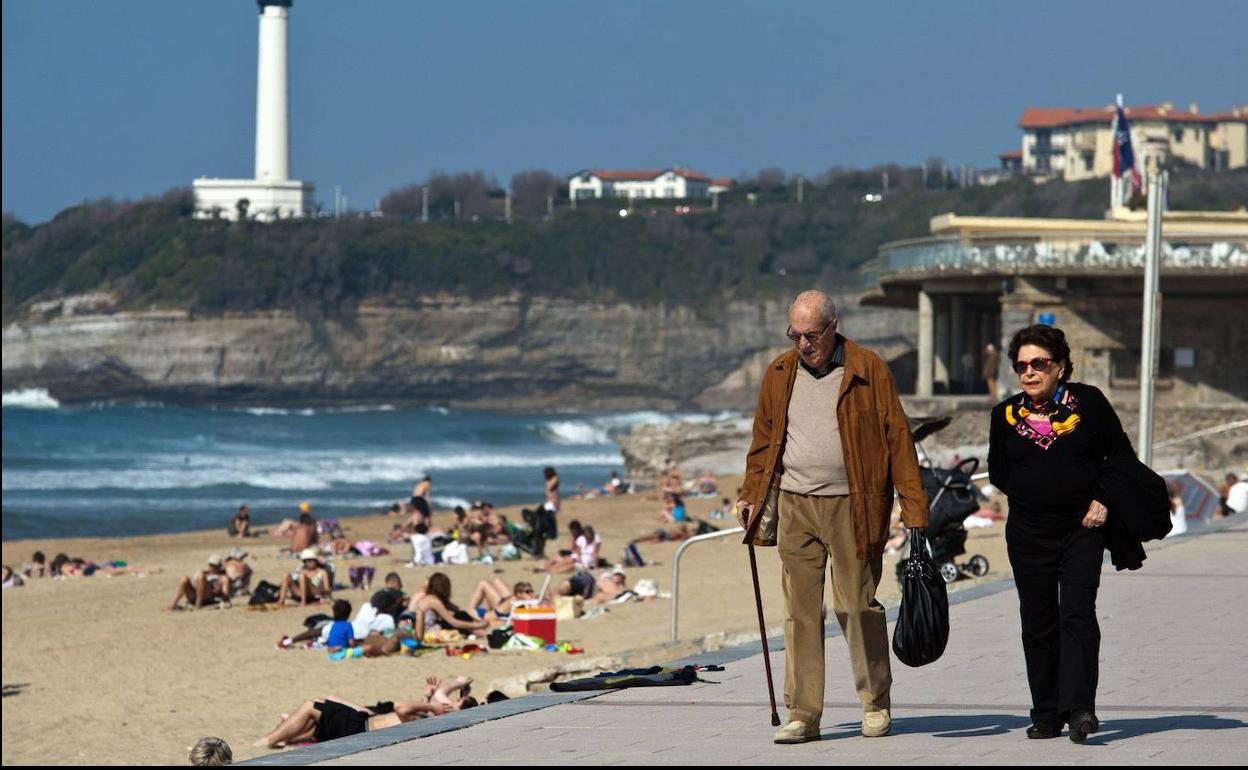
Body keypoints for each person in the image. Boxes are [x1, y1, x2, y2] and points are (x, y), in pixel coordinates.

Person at [736, 290, 928, 744]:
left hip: (855, 503)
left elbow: (898, 439)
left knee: (856, 605)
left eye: (812, 334)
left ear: (833, 325)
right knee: (801, 611)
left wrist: (913, 508)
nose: (804, 344)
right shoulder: (780, 373)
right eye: (796, 335)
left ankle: (875, 701)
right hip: (795, 504)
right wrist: (749, 494)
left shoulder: (868, 369)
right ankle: (804, 713)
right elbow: (764, 440)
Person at [988, 324, 1133, 743]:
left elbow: (1120, 455)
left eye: (1039, 364)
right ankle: (1047, 712)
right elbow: (998, 470)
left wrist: (1102, 498)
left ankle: (1080, 709)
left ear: (1061, 366)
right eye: (1021, 366)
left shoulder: (1088, 402)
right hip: (1028, 533)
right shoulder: (1005, 415)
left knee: (1077, 614)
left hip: (1081, 529)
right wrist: (1035, 497)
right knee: (1037, 622)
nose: (1029, 372)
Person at [406, 572, 489, 639]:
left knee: (461, 614)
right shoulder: (435, 602)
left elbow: (454, 609)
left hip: (420, 629)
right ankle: (482, 632)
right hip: (429, 632)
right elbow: (454, 623)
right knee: (460, 618)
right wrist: (479, 624)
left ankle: (481, 631)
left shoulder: (427, 597)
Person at [167, 555, 232, 611]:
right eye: (210, 565)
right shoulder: (204, 572)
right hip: (195, 594)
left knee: (201, 576)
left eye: (214, 566)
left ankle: (198, 605)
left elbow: (225, 597)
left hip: (209, 597)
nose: (212, 568)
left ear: (219, 567)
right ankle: (172, 605)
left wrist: (218, 591)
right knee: (184, 578)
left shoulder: (222, 578)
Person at [468, 579, 535, 621]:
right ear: (519, 594)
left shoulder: (520, 600)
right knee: (485, 583)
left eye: (531, 591)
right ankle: (471, 610)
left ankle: (471, 609)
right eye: (527, 592)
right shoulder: (516, 599)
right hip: (491, 613)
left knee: (486, 583)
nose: (530, 593)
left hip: (499, 608)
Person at [541, 466, 561, 539]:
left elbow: (550, 487)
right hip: (549, 500)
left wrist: (548, 481)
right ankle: (549, 531)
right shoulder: (549, 479)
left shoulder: (555, 478)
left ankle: (553, 532)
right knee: (548, 517)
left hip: (553, 500)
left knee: (551, 517)